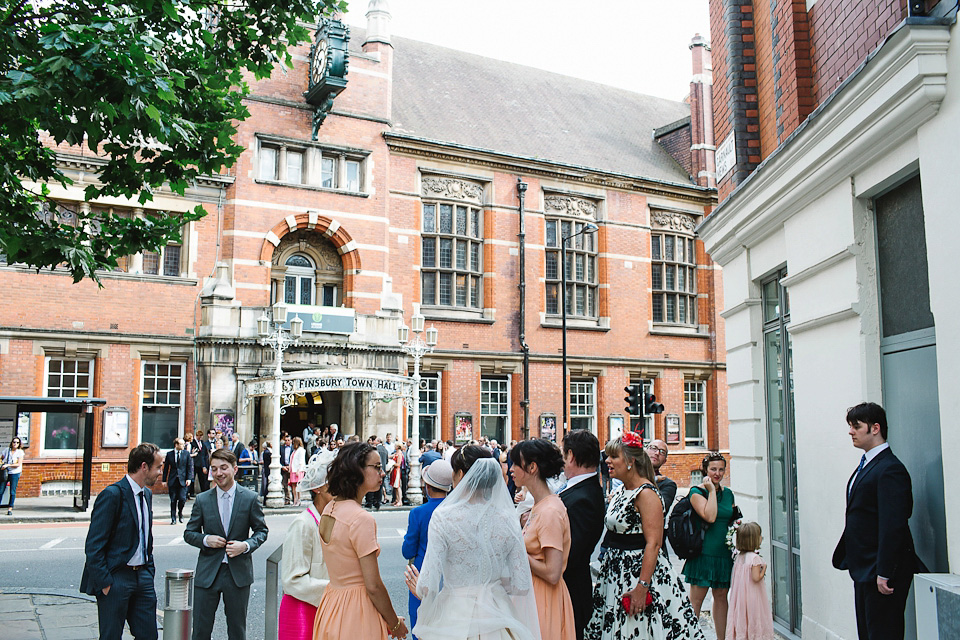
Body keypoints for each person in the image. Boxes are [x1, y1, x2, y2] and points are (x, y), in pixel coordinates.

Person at [403, 445, 541, 640]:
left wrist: (419, 588)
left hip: (456, 615)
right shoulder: (507, 517)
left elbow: (429, 582)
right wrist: (490, 585)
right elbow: (521, 584)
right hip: (498, 614)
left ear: (460, 474)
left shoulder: (444, 516)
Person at [585, 433, 703, 640]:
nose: (607, 461)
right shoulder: (622, 490)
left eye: (614, 457)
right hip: (614, 575)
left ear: (631, 461)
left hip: (638, 575)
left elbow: (654, 543)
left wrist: (642, 587)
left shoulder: (646, 494)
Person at [832, 402, 922, 640]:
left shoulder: (890, 469)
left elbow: (894, 524)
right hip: (863, 569)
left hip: (881, 574)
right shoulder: (867, 465)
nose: (850, 431)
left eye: (856, 426)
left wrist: (884, 571)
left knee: (883, 634)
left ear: (875, 428)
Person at [312, 442, 408, 640]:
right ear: (356, 470)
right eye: (377, 467)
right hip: (357, 609)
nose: (382, 473)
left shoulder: (330, 508)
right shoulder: (360, 518)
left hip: (332, 603)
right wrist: (395, 623)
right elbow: (373, 585)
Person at [80, 443, 163, 640]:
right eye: (158, 467)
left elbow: (144, 537)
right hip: (116, 578)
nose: (160, 472)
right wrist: (106, 582)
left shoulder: (147, 495)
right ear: (144, 467)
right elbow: (94, 545)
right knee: (111, 636)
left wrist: (148, 570)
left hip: (142, 577)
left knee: (149, 635)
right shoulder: (112, 495)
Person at [184, 448, 269, 640]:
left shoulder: (249, 498)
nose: (218, 473)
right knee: (200, 630)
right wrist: (206, 540)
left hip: (237, 574)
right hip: (208, 574)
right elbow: (189, 533)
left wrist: (245, 545)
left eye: (223, 468)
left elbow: (261, 531)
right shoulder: (202, 500)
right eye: (214, 469)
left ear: (235, 469)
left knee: (237, 631)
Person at [510, 439, 576, 640]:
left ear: (532, 467)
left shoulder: (550, 511)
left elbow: (553, 572)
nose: (511, 469)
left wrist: (518, 551)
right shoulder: (540, 506)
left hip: (544, 598)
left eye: (515, 464)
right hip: (532, 595)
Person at [278, 449, 337, 640]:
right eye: (331, 483)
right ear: (317, 488)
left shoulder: (334, 519)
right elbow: (292, 579)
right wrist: (337, 589)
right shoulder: (303, 524)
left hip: (327, 607)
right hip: (303, 610)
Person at [683, 452, 736, 640]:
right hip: (703, 553)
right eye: (713, 469)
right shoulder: (697, 492)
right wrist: (712, 491)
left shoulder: (728, 494)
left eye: (721, 469)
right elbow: (710, 516)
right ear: (705, 470)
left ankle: (722, 637)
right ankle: (689, 636)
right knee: (696, 600)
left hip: (723, 553)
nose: (718, 473)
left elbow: (730, 519)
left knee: (721, 597)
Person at [558, 430, 605, 640]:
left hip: (571, 591)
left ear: (571, 456)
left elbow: (572, 552)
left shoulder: (584, 498)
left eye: (563, 454)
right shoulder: (577, 489)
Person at [401, 459, 453, 637]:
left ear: (427, 487)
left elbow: (407, 551)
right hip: (451, 576)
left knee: (421, 626)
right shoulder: (455, 510)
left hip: (422, 575)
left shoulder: (418, 513)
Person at [726, 522, 774, 640]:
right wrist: (764, 569)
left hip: (740, 596)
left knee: (742, 617)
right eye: (760, 535)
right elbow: (756, 577)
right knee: (754, 616)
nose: (761, 537)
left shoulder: (739, 557)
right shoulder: (755, 558)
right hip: (753, 596)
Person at [646, 439, 676, 559]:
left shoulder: (668, 485)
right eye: (653, 448)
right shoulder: (629, 478)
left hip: (653, 550)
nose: (657, 453)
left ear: (665, 460)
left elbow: (659, 509)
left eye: (662, 452)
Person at [162, 437, 194, 524]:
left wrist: (189, 478)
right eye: (181, 444)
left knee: (182, 498)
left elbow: (189, 467)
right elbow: (166, 468)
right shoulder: (169, 454)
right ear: (176, 445)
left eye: (184, 444)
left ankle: (180, 513)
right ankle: (173, 518)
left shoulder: (186, 454)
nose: (183, 446)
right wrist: (164, 480)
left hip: (183, 480)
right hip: (173, 480)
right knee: (173, 500)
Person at [1, 436, 25, 515]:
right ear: (11, 443)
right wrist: (2, 464)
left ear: (19, 444)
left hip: (15, 473)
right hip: (5, 473)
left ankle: (10, 508)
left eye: (17, 442)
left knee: (12, 491)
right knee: (1, 490)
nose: (15, 444)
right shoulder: (7, 450)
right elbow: (1, 458)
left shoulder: (20, 452)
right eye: (14, 442)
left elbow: (18, 464)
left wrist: (7, 465)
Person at [290, 436, 306, 507]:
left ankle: (298, 499)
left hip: (298, 470)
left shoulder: (301, 450)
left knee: (298, 486)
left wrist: (298, 470)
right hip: (293, 469)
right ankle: (295, 500)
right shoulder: (294, 451)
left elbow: (301, 461)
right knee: (293, 485)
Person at [279, 434, 293, 504]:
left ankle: (294, 498)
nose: (287, 442)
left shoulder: (293, 449)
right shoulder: (281, 448)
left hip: (292, 468)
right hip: (284, 467)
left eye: (288, 440)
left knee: (293, 484)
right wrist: (282, 466)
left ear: (291, 441)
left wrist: (290, 466)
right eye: (286, 440)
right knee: (285, 484)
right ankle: (287, 498)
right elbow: (279, 458)